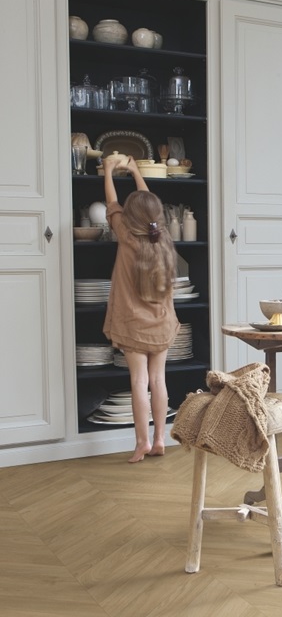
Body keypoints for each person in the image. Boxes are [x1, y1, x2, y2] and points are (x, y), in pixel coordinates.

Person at [102, 154, 180, 462]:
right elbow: (149, 207)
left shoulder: (125, 235)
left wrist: (109, 171)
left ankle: (142, 442)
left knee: (139, 381)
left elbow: (112, 204)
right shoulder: (163, 237)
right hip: (161, 322)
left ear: (129, 217)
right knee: (159, 380)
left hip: (133, 324)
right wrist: (136, 171)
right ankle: (160, 438)